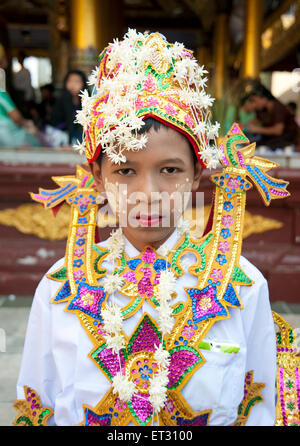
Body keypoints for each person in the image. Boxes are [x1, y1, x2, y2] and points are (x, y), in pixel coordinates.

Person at [13, 30, 298, 427]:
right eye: (125, 171)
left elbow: (267, 411)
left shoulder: (243, 286)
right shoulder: (60, 290)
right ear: (97, 176)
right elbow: (37, 406)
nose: (147, 193)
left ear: (198, 174)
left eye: (169, 170)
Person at [0, 45, 40, 147]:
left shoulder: (24, 72)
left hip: (25, 98)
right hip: (6, 137)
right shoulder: (2, 94)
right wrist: (28, 125)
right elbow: (17, 118)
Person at [240, 84, 299, 150]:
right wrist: (241, 127)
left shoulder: (277, 107)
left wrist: (256, 129)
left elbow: (278, 130)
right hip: (272, 141)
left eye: (255, 100)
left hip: (287, 143)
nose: (254, 104)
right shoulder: (263, 110)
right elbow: (252, 122)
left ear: (264, 98)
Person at [49, 69, 87, 145]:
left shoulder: (84, 100)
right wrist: (69, 144)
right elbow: (69, 121)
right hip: (59, 134)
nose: (73, 85)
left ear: (83, 84)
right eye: (70, 81)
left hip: (73, 134)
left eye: (77, 82)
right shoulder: (65, 98)